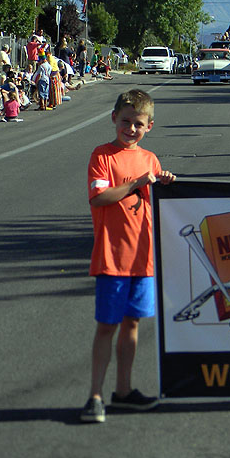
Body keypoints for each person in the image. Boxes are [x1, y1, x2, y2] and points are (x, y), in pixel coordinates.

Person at [81, 89, 177, 423]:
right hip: (113, 257)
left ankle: (123, 391)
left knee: (132, 324)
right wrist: (137, 183)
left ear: (149, 126)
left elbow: (154, 198)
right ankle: (95, 394)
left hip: (143, 257)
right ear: (114, 119)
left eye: (138, 124)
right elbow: (100, 198)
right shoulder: (102, 155)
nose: (131, 129)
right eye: (125, 122)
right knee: (107, 326)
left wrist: (163, 183)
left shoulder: (150, 159)